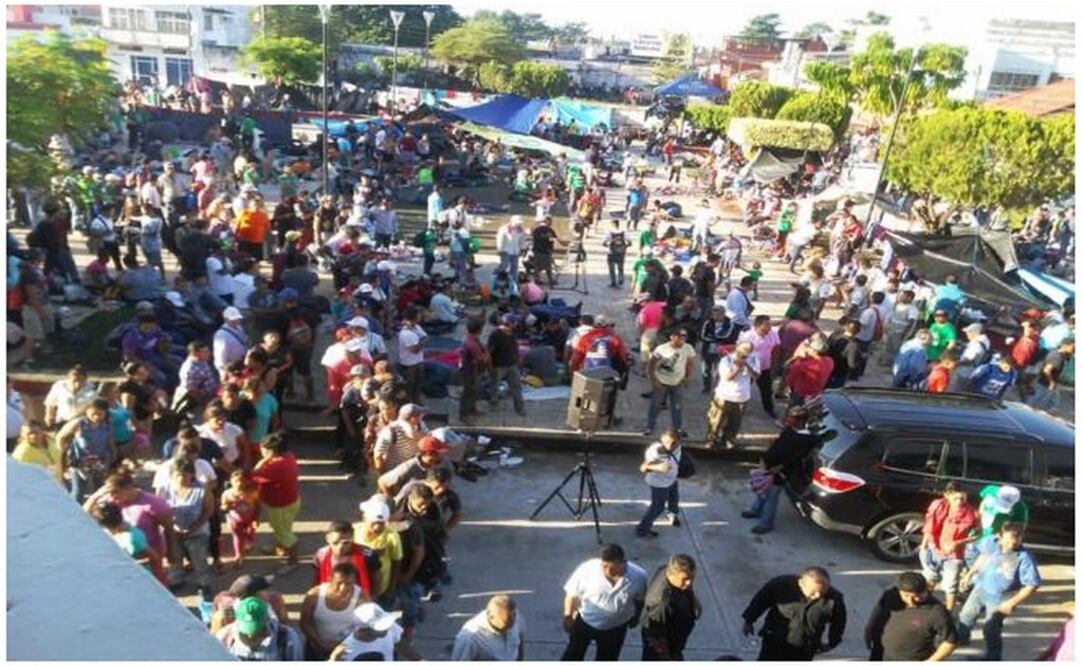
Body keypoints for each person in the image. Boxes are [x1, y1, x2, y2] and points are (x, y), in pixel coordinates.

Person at [957, 523, 1041, 660]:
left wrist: (1012, 602)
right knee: (966, 615)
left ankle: (993, 658)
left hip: (1001, 598)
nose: (1010, 545)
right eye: (1007, 541)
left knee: (990, 629)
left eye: (1015, 543)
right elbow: (984, 556)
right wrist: (970, 574)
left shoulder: (1025, 558)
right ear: (999, 537)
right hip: (980, 588)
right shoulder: (992, 543)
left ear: (1021, 539)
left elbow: (1032, 585)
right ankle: (959, 640)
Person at [561, 543, 648, 661]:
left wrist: (636, 617)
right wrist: (568, 616)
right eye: (604, 566)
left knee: (607, 658)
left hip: (616, 628)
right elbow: (572, 594)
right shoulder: (587, 570)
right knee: (573, 655)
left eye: (612, 567)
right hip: (585, 622)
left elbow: (640, 599)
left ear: (623, 562)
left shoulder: (639, 576)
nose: (607, 571)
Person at [741, 406, 821, 534]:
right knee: (763, 490)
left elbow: (795, 459)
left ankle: (765, 523)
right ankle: (756, 510)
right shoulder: (789, 430)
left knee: (771, 497)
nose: (787, 419)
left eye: (791, 417)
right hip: (768, 467)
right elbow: (777, 444)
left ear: (800, 421)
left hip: (779, 472)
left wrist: (779, 468)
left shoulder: (806, 440)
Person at [742, 566, 847, 661]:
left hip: (805, 650)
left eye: (823, 591)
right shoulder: (780, 585)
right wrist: (749, 619)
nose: (818, 595)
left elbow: (839, 622)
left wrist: (832, 642)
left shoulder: (834, 600)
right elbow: (761, 601)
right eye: (813, 592)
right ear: (801, 583)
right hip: (774, 643)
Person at [864, 572, 958, 661]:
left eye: (916, 596)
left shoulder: (937, 612)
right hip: (880, 653)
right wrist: (869, 629)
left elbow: (950, 642)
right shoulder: (891, 594)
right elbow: (879, 611)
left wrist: (930, 662)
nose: (911, 601)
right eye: (906, 595)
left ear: (926, 590)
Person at [160, 457, 215, 597]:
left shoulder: (202, 489)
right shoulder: (164, 489)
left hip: (198, 532)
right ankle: (176, 580)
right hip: (172, 531)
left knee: (199, 559)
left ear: (192, 474)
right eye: (178, 474)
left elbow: (208, 510)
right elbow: (159, 509)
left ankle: (204, 584)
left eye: (185, 474)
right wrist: (172, 528)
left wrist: (192, 529)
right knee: (174, 558)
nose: (181, 477)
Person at [920, 482, 978, 611]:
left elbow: (977, 535)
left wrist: (958, 543)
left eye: (962, 498)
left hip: (954, 555)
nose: (959, 502)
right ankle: (923, 607)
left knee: (951, 585)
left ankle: (948, 612)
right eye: (955, 498)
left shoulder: (972, 514)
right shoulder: (938, 505)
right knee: (930, 579)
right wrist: (924, 546)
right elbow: (929, 525)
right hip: (933, 549)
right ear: (947, 495)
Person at [251, 432, 300, 564]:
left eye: (263, 448)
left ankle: (293, 561)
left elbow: (253, 477)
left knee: (284, 533)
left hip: (280, 506)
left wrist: (261, 462)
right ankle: (280, 549)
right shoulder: (288, 456)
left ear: (271, 451)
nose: (260, 450)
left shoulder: (275, 466)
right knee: (284, 528)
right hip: (291, 501)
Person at [300, 562, 367, 660]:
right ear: (330, 579)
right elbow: (305, 622)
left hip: (347, 650)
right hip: (316, 649)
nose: (343, 588)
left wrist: (346, 644)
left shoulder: (362, 597)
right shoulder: (314, 595)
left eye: (348, 584)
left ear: (355, 581)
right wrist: (320, 643)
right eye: (339, 583)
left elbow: (367, 626)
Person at [641, 554, 701, 661]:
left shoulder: (667, 570)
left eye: (692, 578)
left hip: (676, 638)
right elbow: (655, 638)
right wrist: (668, 658)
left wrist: (694, 601)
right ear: (671, 574)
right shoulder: (660, 604)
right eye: (685, 579)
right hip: (665, 649)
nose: (689, 583)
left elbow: (687, 586)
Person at [58, 399, 116, 503]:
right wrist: (65, 453)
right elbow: (60, 438)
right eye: (94, 413)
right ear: (87, 411)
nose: (96, 417)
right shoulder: (78, 424)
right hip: (79, 462)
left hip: (99, 460)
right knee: (79, 491)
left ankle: (98, 512)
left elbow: (110, 439)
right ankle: (73, 511)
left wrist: (113, 455)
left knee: (100, 489)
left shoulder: (107, 423)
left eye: (100, 414)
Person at [643, 329, 697, 437]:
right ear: (672, 337)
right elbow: (651, 364)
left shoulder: (688, 348)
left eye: (684, 337)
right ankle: (649, 426)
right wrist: (653, 380)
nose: (681, 339)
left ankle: (678, 428)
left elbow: (690, 363)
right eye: (679, 336)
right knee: (655, 405)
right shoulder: (662, 349)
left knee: (677, 406)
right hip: (661, 382)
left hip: (677, 383)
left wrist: (688, 377)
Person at [706, 341, 760, 449]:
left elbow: (756, 375)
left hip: (742, 397)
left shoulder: (753, 359)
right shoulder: (726, 360)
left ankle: (729, 439)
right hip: (724, 396)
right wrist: (737, 367)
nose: (746, 352)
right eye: (744, 349)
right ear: (737, 349)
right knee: (716, 420)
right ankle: (712, 439)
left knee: (735, 423)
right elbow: (727, 378)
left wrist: (746, 365)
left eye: (749, 350)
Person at [216, 596, 304, 661]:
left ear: (266, 619)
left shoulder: (287, 637)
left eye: (256, 629)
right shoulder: (224, 638)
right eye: (246, 630)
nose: (250, 635)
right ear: (237, 619)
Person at [329, 602, 423, 661]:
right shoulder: (345, 651)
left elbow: (399, 644)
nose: (387, 628)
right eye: (381, 627)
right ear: (364, 631)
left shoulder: (389, 628)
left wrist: (419, 660)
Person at [635, 429, 683, 539]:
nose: (670, 446)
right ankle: (642, 530)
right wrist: (658, 467)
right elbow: (643, 468)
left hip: (672, 480)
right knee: (657, 507)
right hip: (659, 485)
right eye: (667, 442)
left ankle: (672, 514)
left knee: (674, 499)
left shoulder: (678, 447)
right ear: (662, 440)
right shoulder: (655, 452)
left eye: (674, 443)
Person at [312, 520, 378, 598]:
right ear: (327, 538)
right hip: (330, 598)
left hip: (359, 599)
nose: (340, 547)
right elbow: (316, 578)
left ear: (352, 537)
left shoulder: (367, 554)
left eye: (346, 543)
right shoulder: (321, 555)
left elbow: (377, 579)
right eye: (335, 543)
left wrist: (371, 599)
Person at [452, 594, 526, 661]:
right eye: (504, 627)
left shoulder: (515, 619)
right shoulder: (469, 638)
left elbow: (520, 643)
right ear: (490, 617)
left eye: (510, 626)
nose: (509, 629)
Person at [738, 315, 780, 418]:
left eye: (770, 324)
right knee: (744, 387)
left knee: (767, 389)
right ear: (757, 325)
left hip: (765, 367)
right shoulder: (747, 336)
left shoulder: (773, 334)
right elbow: (740, 350)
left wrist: (775, 364)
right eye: (766, 325)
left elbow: (776, 349)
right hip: (749, 367)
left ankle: (769, 409)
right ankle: (739, 409)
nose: (769, 327)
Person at [488, 314, 526, 417]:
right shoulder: (495, 334)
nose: (516, 324)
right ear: (509, 323)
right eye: (514, 322)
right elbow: (489, 352)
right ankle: (494, 404)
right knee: (494, 386)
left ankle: (519, 408)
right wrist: (490, 366)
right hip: (498, 366)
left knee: (516, 386)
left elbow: (515, 347)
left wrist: (518, 360)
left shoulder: (512, 333)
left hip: (512, 365)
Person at [220, 468, 260, 567]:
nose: (239, 483)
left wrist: (256, 519)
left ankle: (249, 541)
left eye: (242, 481)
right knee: (237, 536)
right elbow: (223, 506)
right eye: (236, 481)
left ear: (247, 481)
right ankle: (238, 555)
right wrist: (226, 506)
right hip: (234, 519)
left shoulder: (252, 493)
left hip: (250, 518)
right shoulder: (227, 493)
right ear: (231, 481)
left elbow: (258, 506)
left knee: (250, 533)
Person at [1029, 339, 1073, 413]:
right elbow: (1047, 370)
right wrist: (1051, 382)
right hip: (1046, 383)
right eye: (1073, 347)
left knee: (1054, 399)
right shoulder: (1057, 357)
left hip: (1048, 382)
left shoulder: (1058, 353)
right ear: (1065, 346)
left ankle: (1051, 411)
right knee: (1035, 399)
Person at [397, 306, 427, 404]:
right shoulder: (405, 334)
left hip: (418, 361)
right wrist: (422, 342)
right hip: (409, 365)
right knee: (409, 386)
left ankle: (416, 401)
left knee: (418, 385)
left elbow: (425, 337)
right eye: (418, 315)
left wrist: (421, 342)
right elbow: (414, 349)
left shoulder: (417, 327)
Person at [213, 307, 249, 376]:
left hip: (242, 364)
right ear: (226, 319)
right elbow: (220, 354)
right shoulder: (221, 334)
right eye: (233, 318)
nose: (236, 320)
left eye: (237, 318)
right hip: (230, 368)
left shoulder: (239, 328)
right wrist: (223, 372)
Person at [602, 218, 629, 288]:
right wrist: (625, 247)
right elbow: (629, 242)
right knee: (620, 267)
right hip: (621, 252)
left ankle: (613, 281)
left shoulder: (609, 233)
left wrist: (608, 245)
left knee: (612, 268)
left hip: (612, 252)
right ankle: (620, 279)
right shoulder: (623, 232)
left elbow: (603, 243)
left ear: (612, 225)